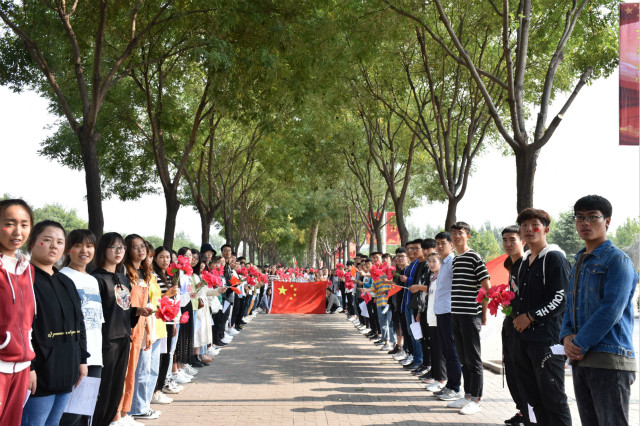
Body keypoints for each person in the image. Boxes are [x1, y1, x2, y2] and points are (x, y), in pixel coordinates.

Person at [560, 195, 638, 426]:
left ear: (607, 221)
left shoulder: (618, 261)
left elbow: (611, 310)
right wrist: (566, 337)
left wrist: (579, 343)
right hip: (581, 359)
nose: (585, 223)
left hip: (609, 358)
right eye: (580, 218)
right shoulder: (580, 261)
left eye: (593, 217)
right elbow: (569, 304)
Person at [21, 221, 89, 426]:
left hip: (67, 369)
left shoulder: (66, 281)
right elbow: (20, 327)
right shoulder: (23, 279)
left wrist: (82, 360)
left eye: (60, 242)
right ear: (32, 243)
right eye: (47, 240)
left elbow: (80, 323)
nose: (54, 246)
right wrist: (29, 367)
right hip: (39, 372)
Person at [513, 208, 571, 426]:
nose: (529, 229)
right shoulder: (525, 261)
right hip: (524, 340)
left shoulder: (554, 258)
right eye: (524, 225)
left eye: (534, 224)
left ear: (545, 229)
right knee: (532, 397)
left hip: (547, 340)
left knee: (553, 397)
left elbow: (560, 299)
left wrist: (530, 316)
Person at [91, 232, 151, 426]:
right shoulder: (96, 279)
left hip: (124, 337)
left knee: (117, 385)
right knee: (104, 387)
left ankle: (110, 420)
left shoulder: (122, 279)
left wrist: (137, 311)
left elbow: (122, 308)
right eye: (114, 247)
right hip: (106, 341)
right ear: (103, 250)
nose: (119, 251)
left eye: (121, 248)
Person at [59, 229, 104, 426]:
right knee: (70, 415)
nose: (84, 250)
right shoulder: (62, 277)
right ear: (68, 249)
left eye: (89, 246)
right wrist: (78, 358)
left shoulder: (92, 280)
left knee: (84, 412)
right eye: (78, 245)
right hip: (76, 357)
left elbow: (97, 323)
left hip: (95, 356)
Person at [446, 222, 491, 415]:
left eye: (460, 233)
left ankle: (476, 399)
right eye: (454, 233)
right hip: (456, 314)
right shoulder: (456, 259)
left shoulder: (474, 257)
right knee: (463, 357)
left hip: (470, 315)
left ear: (468, 236)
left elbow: (487, 287)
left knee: (473, 359)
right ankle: (467, 395)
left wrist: (483, 314)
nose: (456, 237)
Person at [0, 199, 35, 426]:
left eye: (24, 224)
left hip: (21, 368)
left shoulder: (27, 269)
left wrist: (30, 366)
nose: (17, 231)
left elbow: (28, 321)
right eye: (9, 223)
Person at [499, 225, 528, 426]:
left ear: (522, 241)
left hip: (523, 328)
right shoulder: (512, 266)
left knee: (522, 373)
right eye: (505, 240)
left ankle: (529, 413)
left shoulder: (528, 264)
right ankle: (522, 411)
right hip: (510, 324)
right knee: (512, 371)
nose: (508, 244)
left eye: (513, 240)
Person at [432, 232, 463, 403]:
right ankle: (450, 385)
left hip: (450, 311)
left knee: (452, 351)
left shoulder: (452, 262)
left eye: (443, 243)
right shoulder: (443, 263)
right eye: (437, 243)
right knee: (446, 350)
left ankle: (455, 387)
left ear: (451, 245)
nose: (439, 246)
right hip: (441, 311)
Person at [422, 252, 447, 392]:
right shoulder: (432, 277)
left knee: (440, 350)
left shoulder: (442, 278)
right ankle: (437, 378)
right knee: (435, 348)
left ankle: (442, 379)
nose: (431, 264)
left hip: (439, 317)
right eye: (429, 261)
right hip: (431, 317)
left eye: (434, 261)